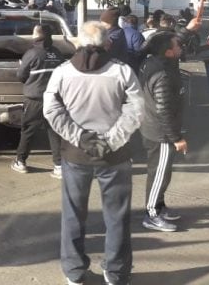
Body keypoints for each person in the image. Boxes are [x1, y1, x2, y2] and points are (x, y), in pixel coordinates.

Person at [44, 20, 144, 285]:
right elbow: (136, 110)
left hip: (76, 154)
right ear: (107, 43)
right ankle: (116, 272)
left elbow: (52, 110)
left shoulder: (63, 72)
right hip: (115, 155)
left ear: (78, 42)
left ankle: (74, 272)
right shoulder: (122, 72)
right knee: (117, 216)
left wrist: (80, 137)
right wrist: (110, 140)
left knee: (73, 215)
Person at [139, 32, 188, 233]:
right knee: (159, 173)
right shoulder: (163, 75)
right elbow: (164, 110)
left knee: (161, 172)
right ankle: (152, 214)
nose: (181, 48)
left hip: (154, 128)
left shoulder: (154, 62)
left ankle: (159, 205)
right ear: (168, 52)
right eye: (178, 46)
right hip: (161, 134)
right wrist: (176, 138)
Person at [10, 24, 64, 177]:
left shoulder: (31, 54)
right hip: (54, 99)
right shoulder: (57, 53)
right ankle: (59, 166)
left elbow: (21, 75)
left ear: (36, 36)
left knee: (28, 131)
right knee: (54, 132)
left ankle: (20, 162)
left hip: (34, 99)